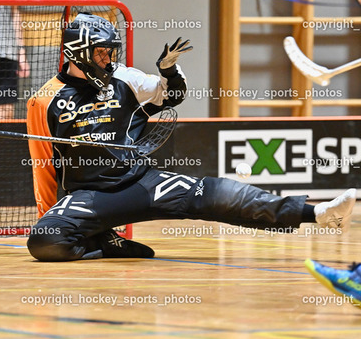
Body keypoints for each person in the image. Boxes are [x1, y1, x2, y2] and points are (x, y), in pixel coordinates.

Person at [25, 13, 357, 261]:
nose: (109, 59)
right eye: (101, 53)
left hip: (143, 184)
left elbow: (172, 95)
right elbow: (43, 166)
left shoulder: (125, 78)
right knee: (45, 240)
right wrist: (50, 213)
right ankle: (104, 243)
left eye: (111, 52)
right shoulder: (45, 100)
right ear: (79, 53)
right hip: (92, 197)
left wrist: (168, 71)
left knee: (216, 194)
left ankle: (317, 213)